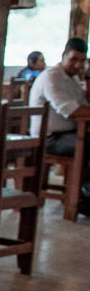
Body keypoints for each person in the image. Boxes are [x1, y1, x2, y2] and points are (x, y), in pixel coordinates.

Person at [29, 37, 90, 216]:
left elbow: (85, 106)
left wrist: (88, 77)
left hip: (70, 135)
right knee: (87, 145)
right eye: (74, 59)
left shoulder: (73, 80)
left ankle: (84, 195)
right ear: (64, 56)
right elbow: (71, 112)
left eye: (82, 61)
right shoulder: (52, 76)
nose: (78, 65)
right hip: (49, 138)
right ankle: (83, 198)